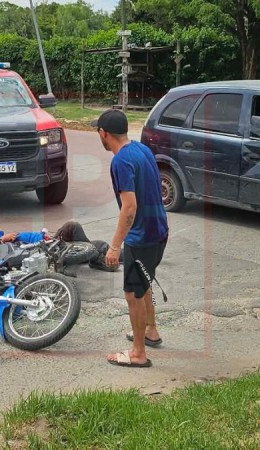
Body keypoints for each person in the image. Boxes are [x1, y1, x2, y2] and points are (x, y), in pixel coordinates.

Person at [92, 109, 169, 368]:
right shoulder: (141, 149)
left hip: (142, 237)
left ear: (104, 133)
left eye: (98, 132)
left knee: (133, 294)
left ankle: (138, 353)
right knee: (143, 283)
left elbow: (129, 207)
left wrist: (114, 247)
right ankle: (150, 331)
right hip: (159, 230)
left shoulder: (120, 161)